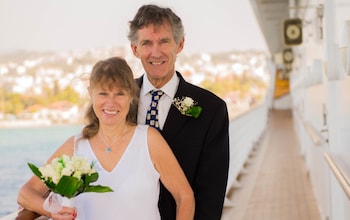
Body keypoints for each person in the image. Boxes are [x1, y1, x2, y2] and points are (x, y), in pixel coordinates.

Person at [17, 57, 195, 220]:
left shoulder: (149, 140)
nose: (111, 102)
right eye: (103, 93)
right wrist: (52, 210)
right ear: (90, 93)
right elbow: (26, 193)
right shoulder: (76, 146)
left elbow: (184, 196)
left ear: (131, 95)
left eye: (119, 94)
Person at [128, 4, 230, 220]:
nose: (156, 52)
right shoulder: (120, 102)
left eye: (164, 41)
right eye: (147, 43)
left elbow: (211, 196)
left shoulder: (211, 110)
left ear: (180, 44)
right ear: (135, 49)